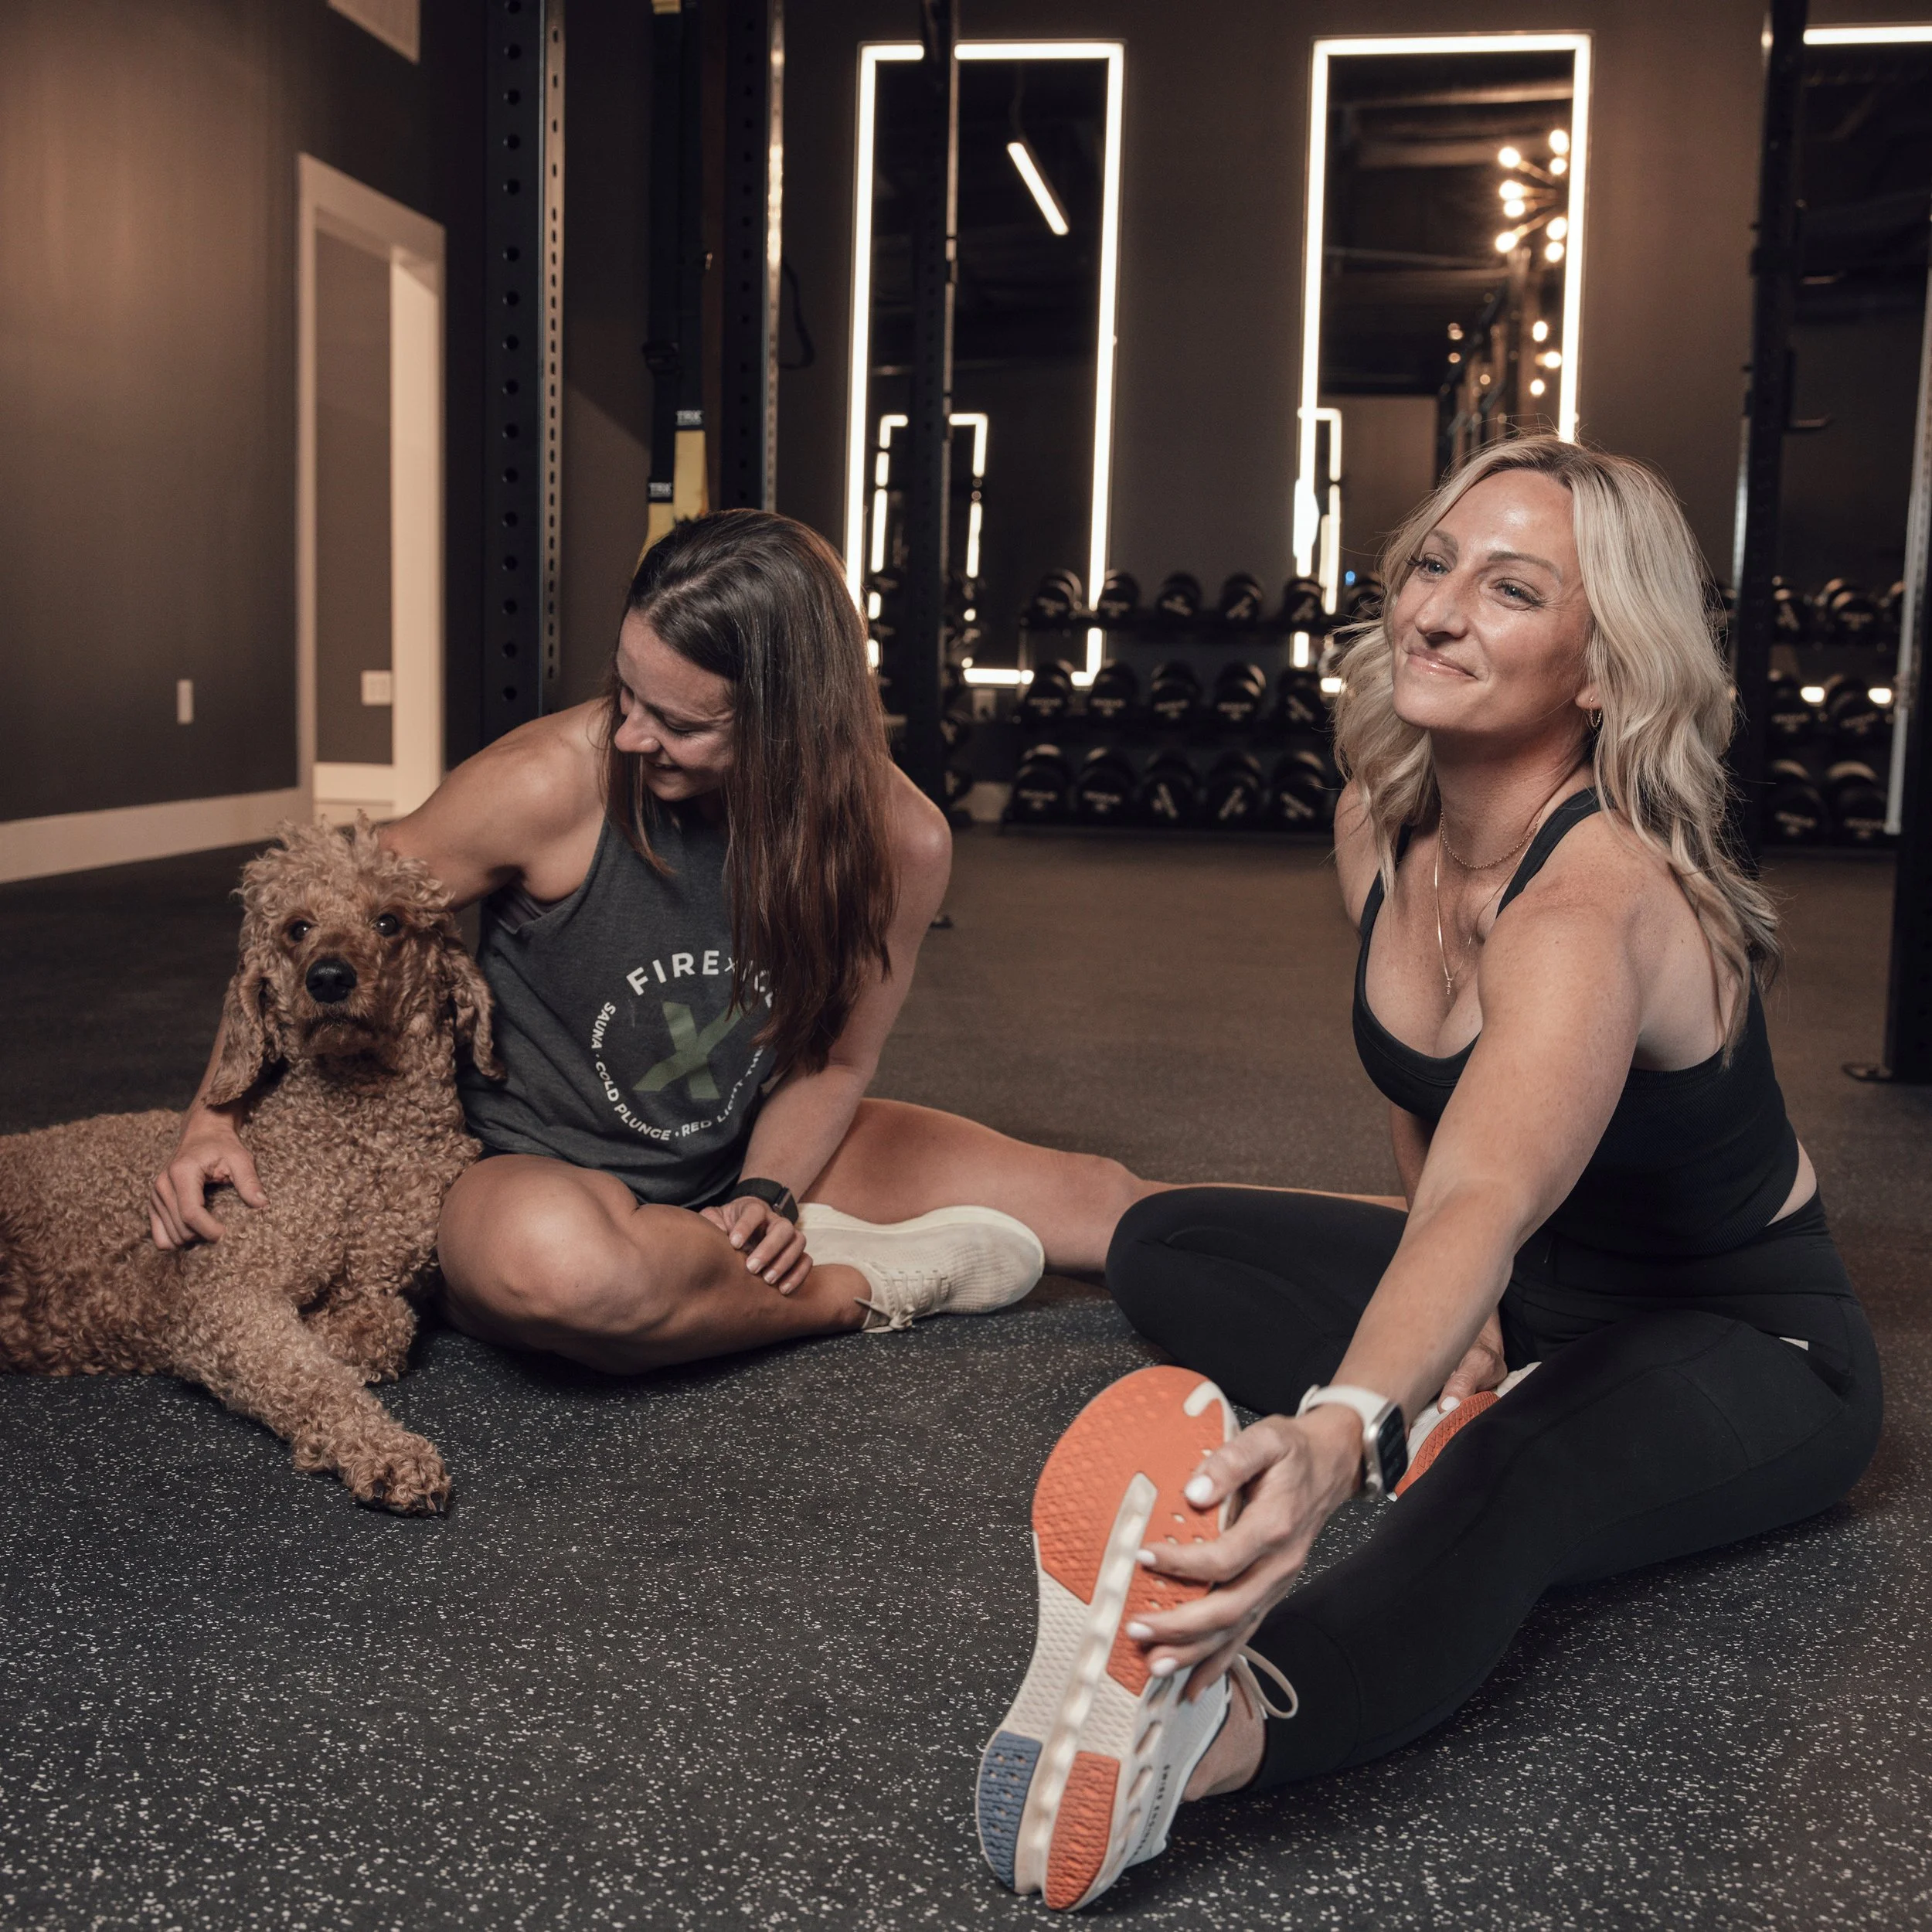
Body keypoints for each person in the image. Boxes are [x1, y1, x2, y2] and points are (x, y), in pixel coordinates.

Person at [974, 436, 1883, 1912]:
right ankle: (1467, 1391)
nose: (1440, 610)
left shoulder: (1595, 904)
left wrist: (1339, 1432)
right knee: (1163, 1247)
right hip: (1541, 1297)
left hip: (1743, 1344)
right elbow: (1431, 1128)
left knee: (1512, 1483)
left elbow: (1487, 1194)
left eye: (1513, 589)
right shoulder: (1387, 823)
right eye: (1437, 563)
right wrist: (1453, 1328)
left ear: (1602, 668)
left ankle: (1210, 1735)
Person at [150, 510, 1155, 1372]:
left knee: (1097, 1205)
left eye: (676, 721)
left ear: (791, 722)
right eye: (626, 693)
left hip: (744, 1142)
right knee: (567, 1275)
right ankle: (856, 1288)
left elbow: (838, 1056)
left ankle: (717, 1265)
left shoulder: (902, 841)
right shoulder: (548, 782)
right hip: (527, 1163)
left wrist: (768, 1190)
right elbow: (312, 915)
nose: (630, 734)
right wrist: (214, 1117)